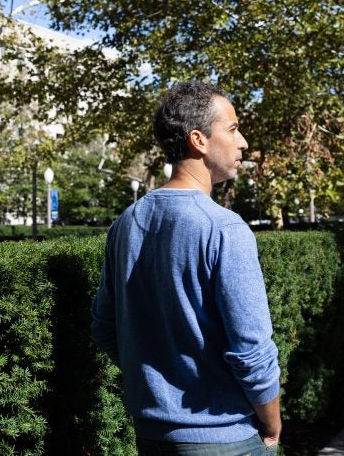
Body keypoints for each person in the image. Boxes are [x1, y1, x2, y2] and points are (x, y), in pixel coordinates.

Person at [91, 81, 281, 455]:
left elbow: (104, 327)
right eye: (232, 129)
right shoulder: (224, 228)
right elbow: (252, 351)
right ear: (199, 140)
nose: (242, 141)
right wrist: (273, 423)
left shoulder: (126, 223)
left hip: (152, 437)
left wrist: (158, 385)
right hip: (224, 439)